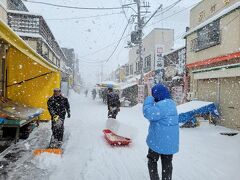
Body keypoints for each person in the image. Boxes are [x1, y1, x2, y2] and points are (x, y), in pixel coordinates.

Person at [143, 83, 179, 180]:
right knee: (167, 164)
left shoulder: (160, 107)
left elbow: (147, 113)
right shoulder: (172, 105)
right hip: (170, 142)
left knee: (152, 161)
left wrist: (149, 99)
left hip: (157, 141)